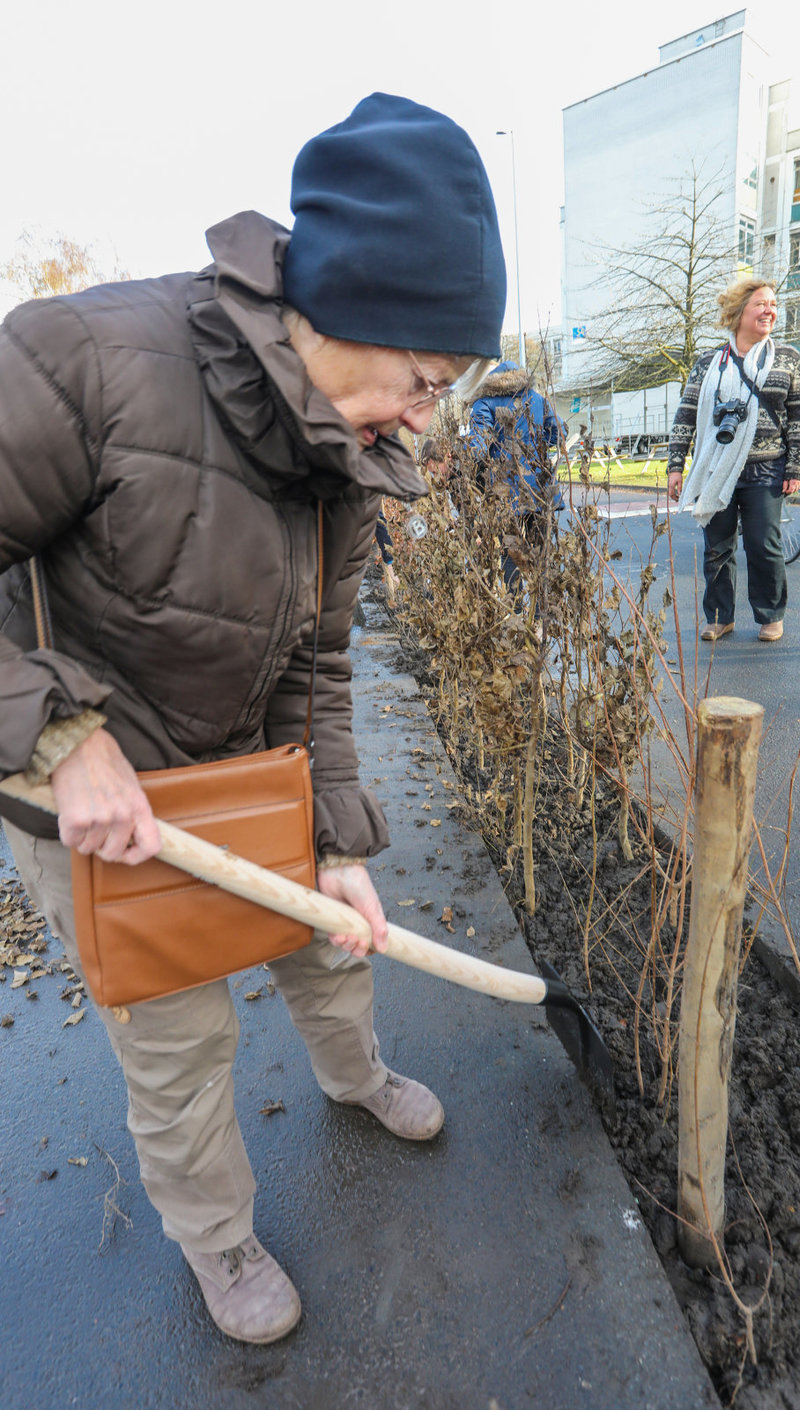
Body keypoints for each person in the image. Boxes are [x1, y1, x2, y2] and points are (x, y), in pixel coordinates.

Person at [0, 92, 505, 1345]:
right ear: (355, 311)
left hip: (257, 773)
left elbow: (321, 662)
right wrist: (61, 737)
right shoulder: (81, 362)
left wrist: (334, 837)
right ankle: (218, 1238)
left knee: (335, 944)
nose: (426, 416)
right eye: (425, 380)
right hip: (111, 812)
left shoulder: (347, 459)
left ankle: (356, 1077)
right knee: (177, 1044)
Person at [667, 279, 800, 642]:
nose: (770, 310)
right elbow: (685, 415)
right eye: (761, 303)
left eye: (774, 304)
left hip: (767, 467)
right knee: (717, 548)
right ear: (738, 312)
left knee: (764, 544)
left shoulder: (788, 359)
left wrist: (796, 466)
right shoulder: (709, 363)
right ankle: (719, 616)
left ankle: (770, 615)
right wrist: (675, 466)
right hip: (716, 466)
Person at [467, 360, 563, 610]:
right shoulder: (537, 399)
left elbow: (476, 450)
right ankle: (542, 620)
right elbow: (558, 433)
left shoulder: (484, 404)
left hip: (506, 492)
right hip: (540, 491)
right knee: (541, 558)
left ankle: (517, 617)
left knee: (511, 555)